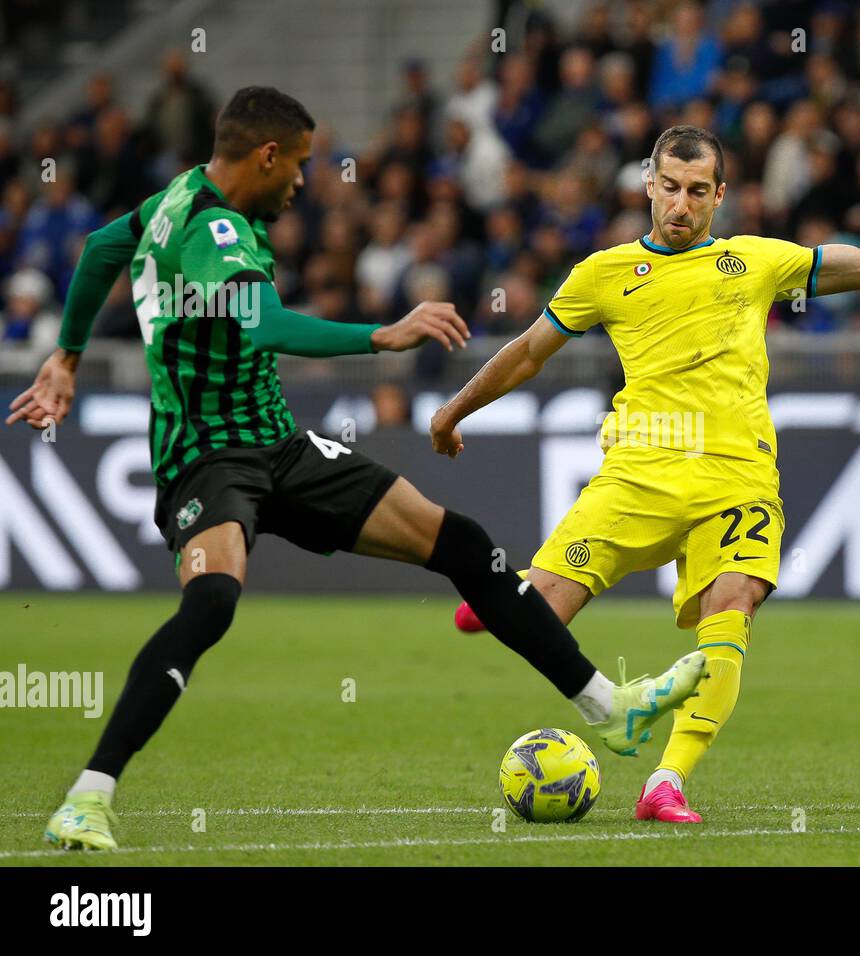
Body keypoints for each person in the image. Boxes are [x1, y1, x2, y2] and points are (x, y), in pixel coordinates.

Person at [8, 87, 705, 851]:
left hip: (279, 444)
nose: (305, 182)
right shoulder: (215, 226)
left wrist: (67, 355)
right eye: (300, 165)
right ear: (267, 156)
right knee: (210, 603)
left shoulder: (173, 200)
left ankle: (611, 707)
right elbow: (265, 324)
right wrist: (383, 334)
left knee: (463, 545)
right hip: (206, 456)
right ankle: (88, 796)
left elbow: (106, 246)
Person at [431, 109, 860, 823]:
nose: (681, 204)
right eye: (669, 186)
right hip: (637, 475)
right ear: (647, 184)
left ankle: (665, 783)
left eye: (698, 190)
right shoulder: (604, 274)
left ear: (721, 195)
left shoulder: (757, 260)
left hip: (737, 480)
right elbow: (525, 350)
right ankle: (516, 593)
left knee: (730, 607)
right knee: (541, 615)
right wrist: (454, 409)